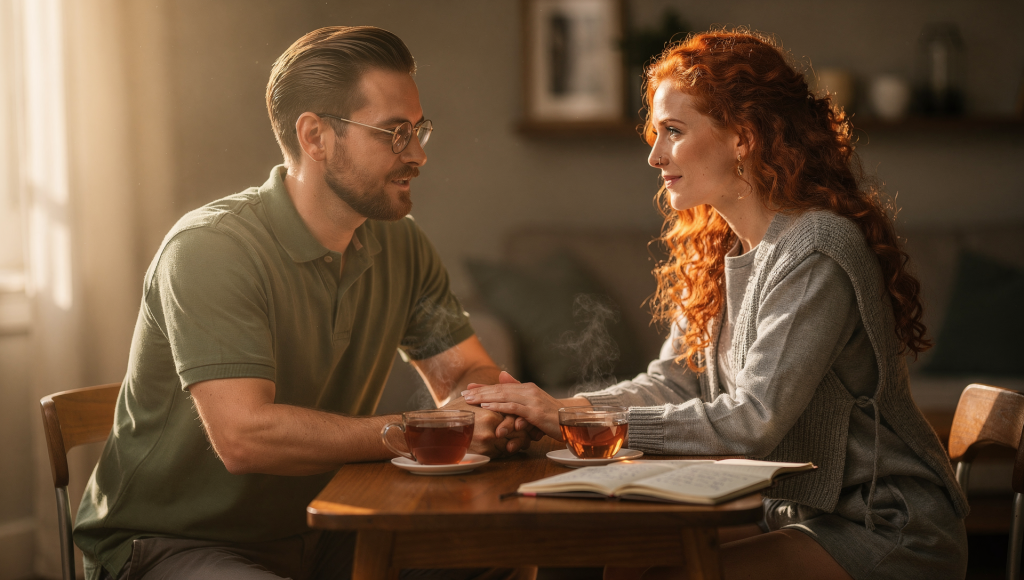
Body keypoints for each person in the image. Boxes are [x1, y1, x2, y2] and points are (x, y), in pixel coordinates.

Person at [463, 30, 968, 580]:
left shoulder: (817, 249)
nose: (655, 155)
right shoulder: (723, 248)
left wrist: (567, 417)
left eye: (674, 132)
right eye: (656, 134)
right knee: (621, 563)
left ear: (743, 138)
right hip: (798, 516)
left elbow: (752, 421)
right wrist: (556, 409)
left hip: (885, 529)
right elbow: (674, 381)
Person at [74, 26, 530, 580]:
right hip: (172, 544)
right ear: (315, 137)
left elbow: (464, 371)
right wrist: (420, 431)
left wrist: (480, 410)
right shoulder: (211, 249)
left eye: (419, 130)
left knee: (500, 559)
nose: (418, 155)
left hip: (324, 526)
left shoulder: (401, 244)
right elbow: (245, 438)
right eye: (394, 132)